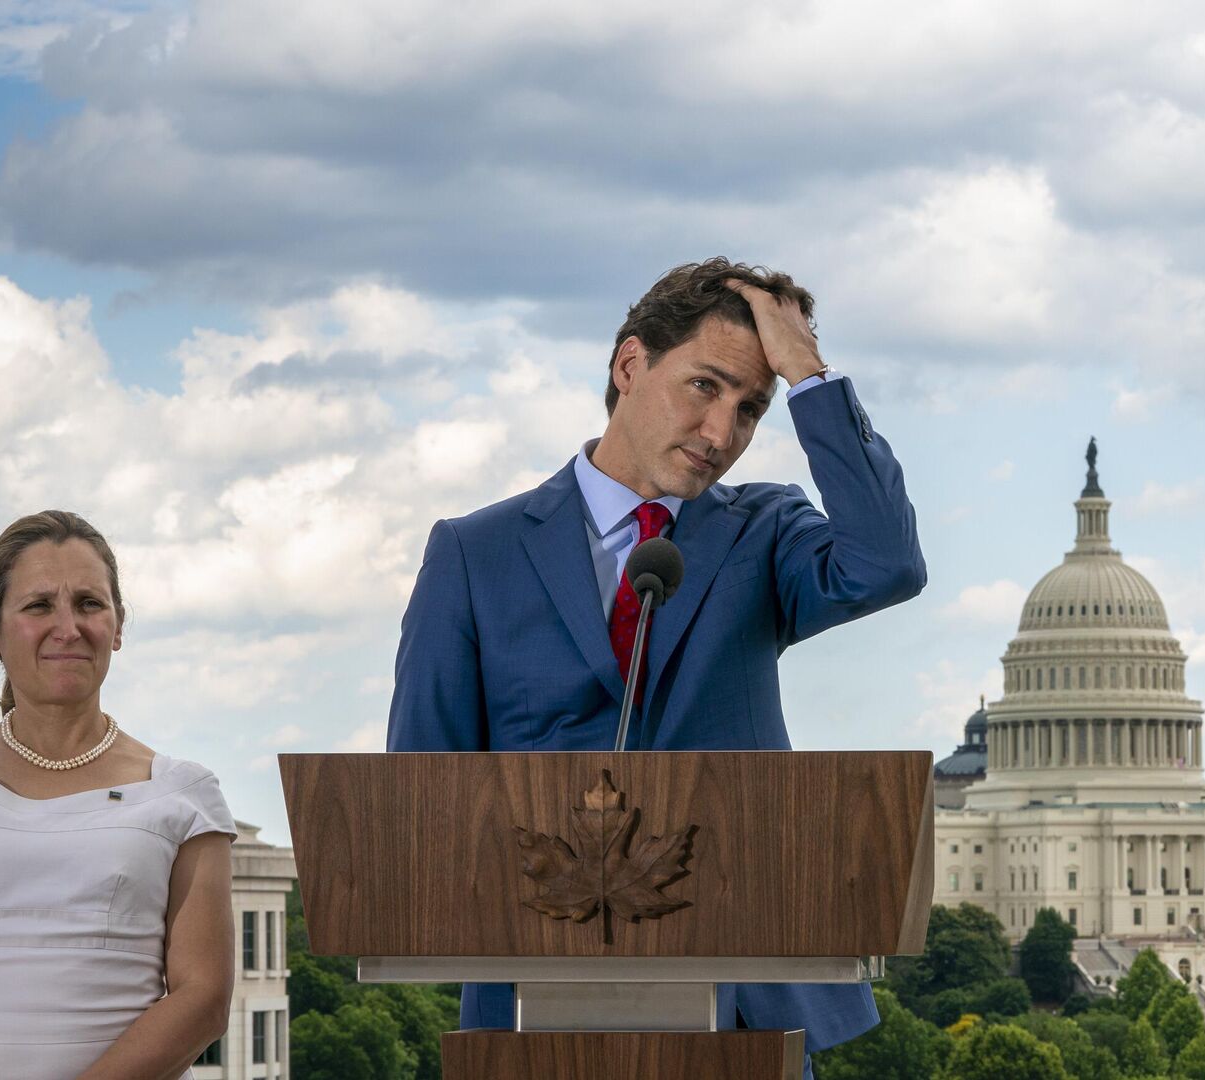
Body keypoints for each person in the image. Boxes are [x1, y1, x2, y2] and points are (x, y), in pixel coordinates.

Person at [388, 258, 927, 1072]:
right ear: (629, 364)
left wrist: (811, 378)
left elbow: (885, 563)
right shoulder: (474, 554)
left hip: (744, 998)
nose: (722, 433)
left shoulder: (765, 531)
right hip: (536, 1003)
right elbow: (420, 793)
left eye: (751, 408)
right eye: (705, 387)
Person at [0, 511, 236, 1080]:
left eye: (89, 603)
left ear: (118, 625)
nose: (69, 627)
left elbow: (203, 997)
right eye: (39, 606)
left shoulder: (184, 795)